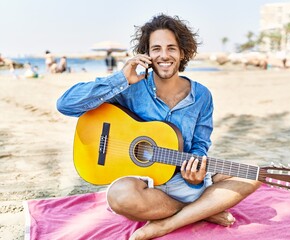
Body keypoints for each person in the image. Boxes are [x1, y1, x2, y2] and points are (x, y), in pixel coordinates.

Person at [57, 14, 261, 240]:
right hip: (142, 183)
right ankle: (201, 211)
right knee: (119, 197)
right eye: (156, 49)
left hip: (182, 179)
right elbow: (66, 105)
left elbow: (201, 143)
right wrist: (120, 79)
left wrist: (194, 171)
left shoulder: (202, 95)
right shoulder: (130, 87)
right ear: (146, 54)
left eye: (171, 48)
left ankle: (167, 224)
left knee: (253, 174)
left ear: (182, 52)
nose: (164, 55)